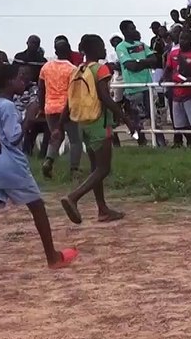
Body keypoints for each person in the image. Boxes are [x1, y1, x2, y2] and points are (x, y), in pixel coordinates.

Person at [0, 64, 80, 285]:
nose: (23, 82)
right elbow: (15, 138)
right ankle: (52, 257)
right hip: (12, 167)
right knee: (38, 208)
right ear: (9, 82)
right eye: (19, 79)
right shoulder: (7, 107)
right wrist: (29, 117)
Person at [61, 34, 129, 225]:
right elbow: (105, 98)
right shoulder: (100, 69)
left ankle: (102, 209)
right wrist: (126, 118)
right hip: (99, 122)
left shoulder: (78, 70)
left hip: (83, 123)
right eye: (101, 46)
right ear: (95, 49)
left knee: (95, 168)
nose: (105, 49)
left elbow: (68, 102)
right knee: (104, 168)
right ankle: (74, 197)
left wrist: (60, 125)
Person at [39, 36, 84, 179]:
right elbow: (75, 92)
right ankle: (74, 169)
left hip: (50, 108)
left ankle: (48, 161)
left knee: (56, 136)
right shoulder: (72, 69)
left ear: (55, 51)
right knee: (75, 139)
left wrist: (42, 107)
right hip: (67, 108)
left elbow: (41, 89)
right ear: (69, 50)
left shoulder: (46, 67)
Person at [117, 20, 161, 147]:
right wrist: (144, 62)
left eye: (134, 27)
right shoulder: (121, 47)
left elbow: (154, 60)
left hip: (148, 86)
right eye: (131, 28)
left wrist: (138, 62)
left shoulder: (142, 44)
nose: (135, 30)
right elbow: (130, 66)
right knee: (137, 120)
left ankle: (160, 144)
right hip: (133, 89)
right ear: (124, 31)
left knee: (154, 118)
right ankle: (141, 143)